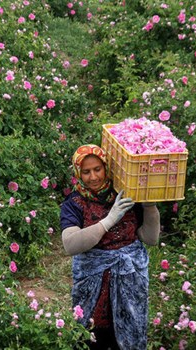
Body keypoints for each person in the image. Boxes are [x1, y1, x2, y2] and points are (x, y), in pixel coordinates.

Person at [60, 144, 160, 350]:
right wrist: (109, 220)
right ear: (78, 173)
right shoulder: (74, 203)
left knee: (127, 335)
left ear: (107, 167)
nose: (93, 177)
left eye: (97, 169)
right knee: (92, 334)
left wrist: (150, 206)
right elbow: (70, 245)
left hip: (129, 279)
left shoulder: (125, 194)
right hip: (94, 282)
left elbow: (149, 238)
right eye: (86, 172)